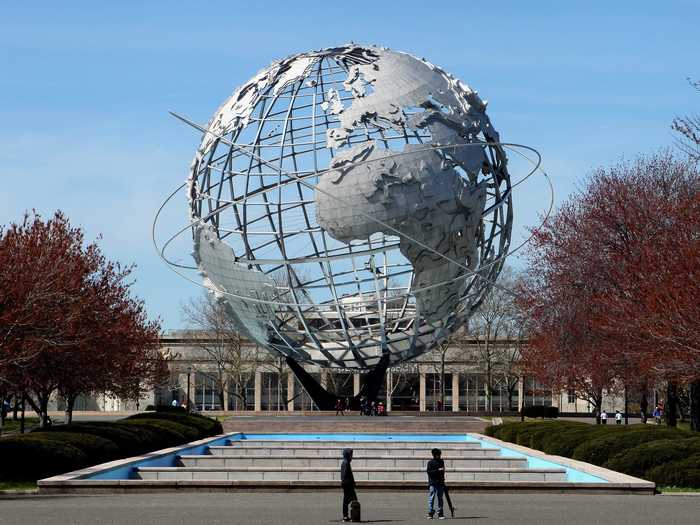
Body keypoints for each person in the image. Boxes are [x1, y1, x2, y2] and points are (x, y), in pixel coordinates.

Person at [426, 448, 446, 519]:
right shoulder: (430, 462)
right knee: (432, 498)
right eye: (438, 455)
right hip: (433, 482)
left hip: (440, 482)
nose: (439, 456)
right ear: (435, 455)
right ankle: (430, 512)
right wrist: (438, 470)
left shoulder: (441, 461)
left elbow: (443, 472)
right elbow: (429, 472)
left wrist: (443, 479)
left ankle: (440, 512)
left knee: (440, 498)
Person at [341, 448, 357, 522]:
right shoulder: (345, 463)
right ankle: (349, 516)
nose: (352, 457)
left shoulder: (346, 462)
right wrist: (347, 483)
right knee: (351, 500)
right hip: (348, 485)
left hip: (348, 484)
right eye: (351, 455)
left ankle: (347, 516)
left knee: (348, 500)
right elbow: (344, 475)